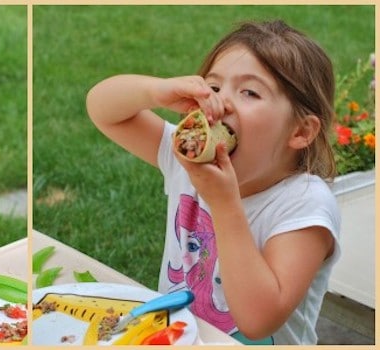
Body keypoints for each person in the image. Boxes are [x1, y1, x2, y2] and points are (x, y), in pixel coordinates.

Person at [86, 20, 340, 345]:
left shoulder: (306, 205)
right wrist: (155, 91)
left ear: (301, 131)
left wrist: (224, 203)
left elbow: (257, 321)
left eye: (250, 92)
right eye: (214, 87)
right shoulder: (188, 159)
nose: (221, 104)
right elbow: (102, 109)